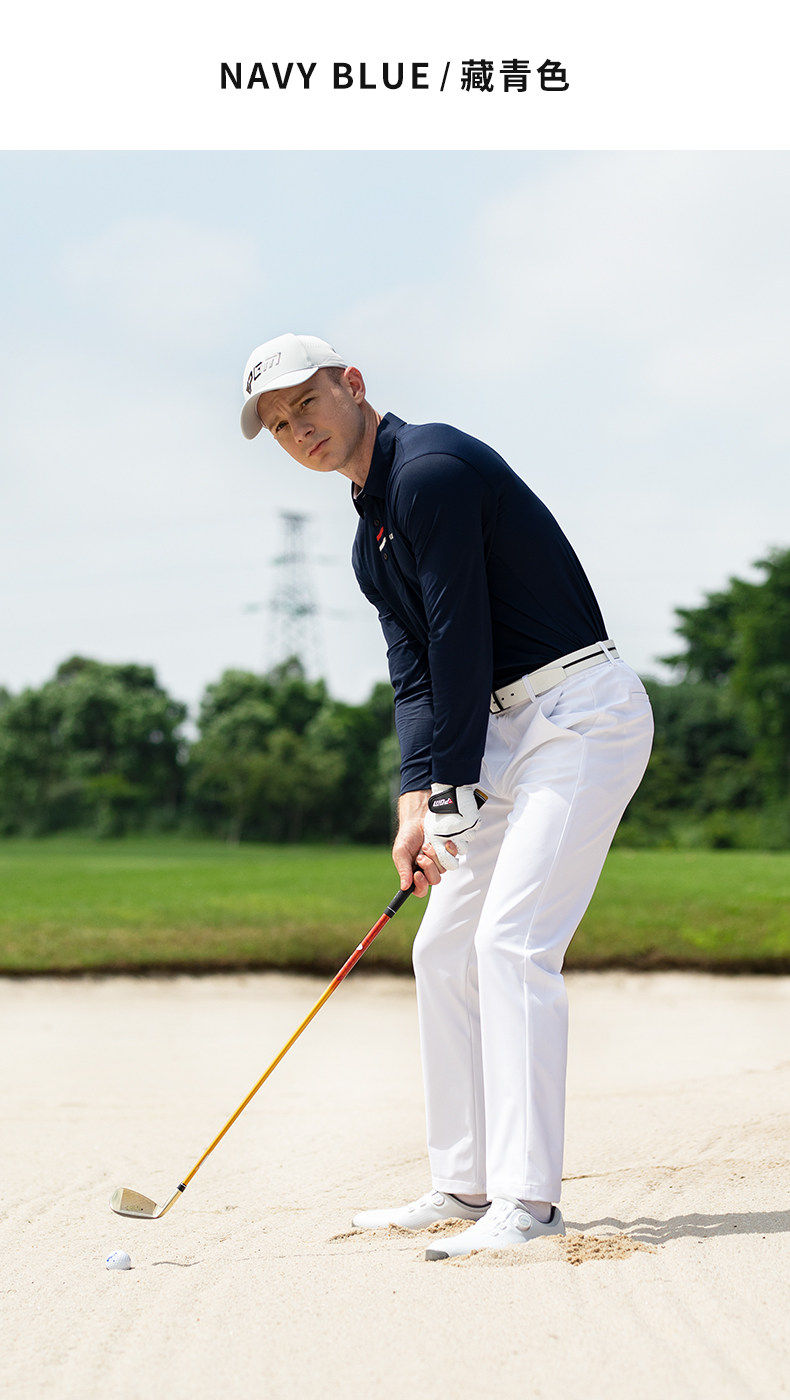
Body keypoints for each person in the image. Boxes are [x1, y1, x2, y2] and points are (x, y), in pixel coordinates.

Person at [240, 332, 654, 1261]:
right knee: (443, 949)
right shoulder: (369, 536)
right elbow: (416, 673)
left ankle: (528, 1201)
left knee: (511, 944)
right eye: (279, 424)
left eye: (307, 403)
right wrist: (414, 801)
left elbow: (463, 636)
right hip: (504, 733)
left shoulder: (428, 471)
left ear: (353, 385)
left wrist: (454, 782)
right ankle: (464, 1182)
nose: (298, 429)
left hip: (580, 716)